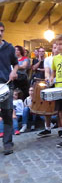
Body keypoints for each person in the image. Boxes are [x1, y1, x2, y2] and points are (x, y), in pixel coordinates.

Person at [0, 21, 18, 155]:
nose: (0, 33)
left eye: (2, 31)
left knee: (7, 114)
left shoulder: (9, 47)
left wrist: (14, 71)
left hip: (6, 85)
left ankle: (7, 143)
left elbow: (16, 64)